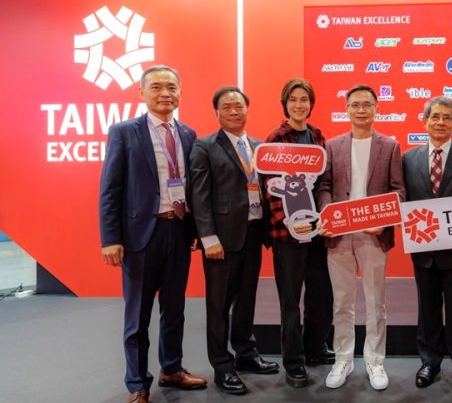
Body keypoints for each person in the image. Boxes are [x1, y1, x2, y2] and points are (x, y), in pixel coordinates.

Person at [99, 65, 207, 403]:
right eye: (157, 87)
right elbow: (110, 189)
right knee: (138, 315)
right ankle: (137, 383)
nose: (165, 94)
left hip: (178, 231)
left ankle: (171, 368)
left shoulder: (188, 134)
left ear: (180, 92)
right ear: (142, 93)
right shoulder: (123, 132)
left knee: (174, 309)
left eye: (171, 87)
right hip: (140, 236)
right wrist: (110, 238)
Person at [189, 86, 279, 395]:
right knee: (218, 305)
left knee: (247, 298)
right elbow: (199, 195)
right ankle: (222, 366)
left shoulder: (259, 146)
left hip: (253, 233)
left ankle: (246, 353)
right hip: (222, 239)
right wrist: (208, 237)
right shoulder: (204, 146)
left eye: (238, 106)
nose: (234, 111)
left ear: (247, 109)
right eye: (226, 107)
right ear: (217, 113)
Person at [317, 84, 406, 391]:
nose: (361, 110)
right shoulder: (333, 146)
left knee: (375, 301)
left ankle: (375, 361)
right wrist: (328, 215)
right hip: (339, 236)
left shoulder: (390, 146)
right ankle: (343, 359)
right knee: (342, 301)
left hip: (373, 235)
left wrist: (384, 220)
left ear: (377, 108)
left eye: (367, 104)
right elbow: (324, 186)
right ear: (346, 109)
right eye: (355, 104)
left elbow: (399, 191)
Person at [402, 96, 452, 394]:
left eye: (447, 117)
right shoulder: (408, 159)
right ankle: (430, 361)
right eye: (435, 116)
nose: (440, 122)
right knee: (428, 309)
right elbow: (403, 201)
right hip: (424, 251)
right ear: (424, 121)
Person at [263, 78, 334, 388]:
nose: (299, 104)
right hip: (287, 236)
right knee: (291, 301)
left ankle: (315, 348)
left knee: (322, 294)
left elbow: (323, 184)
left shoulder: (318, 136)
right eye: (293, 99)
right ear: (285, 104)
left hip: (318, 231)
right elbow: (270, 189)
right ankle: (293, 362)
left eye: (304, 99)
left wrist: (323, 219)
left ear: (311, 103)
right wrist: (291, 223)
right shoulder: (276, 139)